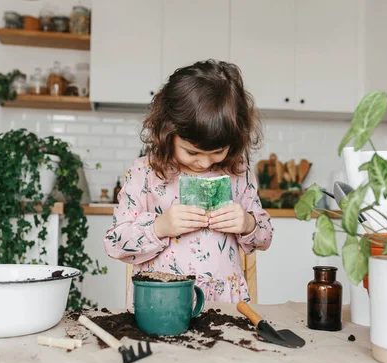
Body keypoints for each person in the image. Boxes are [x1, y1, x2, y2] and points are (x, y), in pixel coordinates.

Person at [103, 59, 273, 305]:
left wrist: (248, 224)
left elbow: (266, 237)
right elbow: (114, 244)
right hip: (161, 302)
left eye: (217, 152)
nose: (204, 163)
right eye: (192, 152)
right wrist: (159, 227)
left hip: (225, 305)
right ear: (167, 133)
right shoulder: (145, 173)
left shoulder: (238, 172)